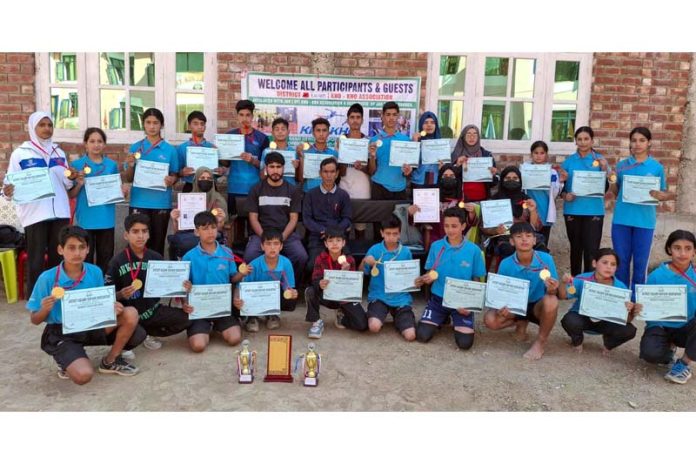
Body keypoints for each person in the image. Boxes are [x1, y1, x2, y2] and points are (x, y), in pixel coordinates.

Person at [27, 225, 144, 384]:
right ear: (60, 250)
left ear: (88, 249)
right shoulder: (47, 278)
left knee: (130, 315)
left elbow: (100, 303)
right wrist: (44, 309)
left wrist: (112, 307)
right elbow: (34, 319)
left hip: (90, 324)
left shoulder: (94, 271)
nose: (77, 253)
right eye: (71, 248)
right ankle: (66, 359)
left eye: (82, 247)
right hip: (61, 331)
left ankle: (109, 362)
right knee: (84, 375)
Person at [3, 111, 74, 292]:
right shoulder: (21, 153)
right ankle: (36, 299)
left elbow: (66, 183)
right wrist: (8, 190)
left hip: (60, 212)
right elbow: (9, 185)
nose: (47, 129)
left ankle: (56, 295)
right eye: (41, 125)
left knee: (57, 256)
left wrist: (71, 176)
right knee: (35, 258)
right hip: (35, 213)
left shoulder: (59, 152)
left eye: (49, 125)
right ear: (33, 128)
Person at [106, 213, 191, 351]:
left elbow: (168, 284)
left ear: (149, 235)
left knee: (187, 318)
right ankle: (131, 339)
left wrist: (181, 287)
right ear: (126, 235)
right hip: (128, 315)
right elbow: (107, 296)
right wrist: (121, 294)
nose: (140, 236)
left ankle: (150, 332)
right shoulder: (117, 261)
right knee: (136, 330)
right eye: (135, 231)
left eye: (144, 231)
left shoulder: (156, 257)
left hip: (152, 312)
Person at [484, 222, 564, 360]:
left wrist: (552, 289)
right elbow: (500, 291)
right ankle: (520, 322)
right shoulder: (506, 263)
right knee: (490, 320)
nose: (524, 239)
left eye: (528, 236)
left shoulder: (546, 259)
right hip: (515, 306)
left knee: (551, 301)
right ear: (512, 241)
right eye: (519, 236)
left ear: (534, 240)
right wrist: (500, 308)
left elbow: (553, 291)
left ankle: (540, 343)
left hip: (537, 307)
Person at [609, 127, 676, 290]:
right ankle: (622, 297)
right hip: (622, 220)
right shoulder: (622, 166)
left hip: (645, 222)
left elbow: (665, 193)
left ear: (649, 143)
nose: (637, 144)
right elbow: (617, 193)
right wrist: (611, 182)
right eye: (634, 140)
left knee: (640, 263)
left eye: (642, 140)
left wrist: (663, 196)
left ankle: (636, 299)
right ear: (630, 143)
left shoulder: (656, 167)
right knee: (621, 261)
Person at [415, 207, 486, 350]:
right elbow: (431, 271)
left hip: (461, 302)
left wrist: (469, 305)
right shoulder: (436, 246)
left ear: (463, 226)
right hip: (438, 299)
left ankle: (455, 319)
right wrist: (425, 279)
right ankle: (442, 316)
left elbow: (476, 280)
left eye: (454, 226)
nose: (450, 230)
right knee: (422, 335)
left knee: (465, 343)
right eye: (446, 226)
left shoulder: (474, 250)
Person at [182, 211, 246, 352]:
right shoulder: (189, 257)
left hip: (222, 307)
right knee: (198, 346)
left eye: (213, 227)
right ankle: (204, 327)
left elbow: (233, 279)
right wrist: (185, 301)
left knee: (235, 339)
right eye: (204, 229)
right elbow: (183, 286)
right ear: (196, 232)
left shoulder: (227, 252)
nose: (210, 232)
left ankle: (219, 325)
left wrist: (241, 275)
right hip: (199, 309)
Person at [639, 230, 696, 384]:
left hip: (687, 326)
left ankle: (683, 364)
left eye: (688, 248)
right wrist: (639, 308)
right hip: (661, 326)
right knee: (650, 355)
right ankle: (668, 351)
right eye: (677, 248)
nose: (682, 253)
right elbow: (647, 308)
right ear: (669, 249)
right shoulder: (656, 276)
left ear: (694, 251)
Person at [244, 151, 307, 287]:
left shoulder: (292, 190)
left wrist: (281, 239)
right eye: (271, 167)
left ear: (284, 168)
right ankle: (256, 289)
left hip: (286, 235)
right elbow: (253, 218)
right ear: (266, 168)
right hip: (261, 234)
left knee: (301, 256)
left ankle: (290, 288)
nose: (275, 170)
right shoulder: (256, 189)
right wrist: (265, 240)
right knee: (250, 256)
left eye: (278, 167)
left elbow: (293, 218)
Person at [122, 108, 179, 256]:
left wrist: (172, 179)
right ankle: (135, 276)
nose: (152, 126)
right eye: (148, 122)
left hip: (161, 203)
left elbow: (175, 174)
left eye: (156, 123)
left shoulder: (170, 150)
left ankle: (154, 278)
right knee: (136, 245)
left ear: (162, 125)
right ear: (143, 124)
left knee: (157, 245)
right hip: (138, 202)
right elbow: (128, 178)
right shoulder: (136, 147)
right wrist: (131, 165)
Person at [560, 248, 639, 354]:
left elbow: (627, 320)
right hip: (583, 318)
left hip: (607, 322)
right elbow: (563, 296)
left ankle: (609, 344)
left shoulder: (621, 288)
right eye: (605, 262)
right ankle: (577, 341)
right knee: (569, 320)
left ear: (616, 268)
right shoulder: (582, 279)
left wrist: (631, 311)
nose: (608, 267)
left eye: (613, 264)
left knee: (629, 330)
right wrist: (564, 283)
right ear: (594, 263)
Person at [68, 128, 120, 274]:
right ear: (85, 144)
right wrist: (79, 183)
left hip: (106, 219)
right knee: (86, 258)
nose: (96, 145)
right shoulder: (77, 166)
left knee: (106, 257)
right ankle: (87, 287)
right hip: (86, 219)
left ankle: (103, 289)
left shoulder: (111, 165)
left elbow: (116, 190)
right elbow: (71, 194)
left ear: (104, 144)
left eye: (100, 141)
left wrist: (122, 191)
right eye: (92, 141)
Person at [561, 126, 609, 276]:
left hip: (594, 210)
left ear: (592, 140)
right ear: (575, 141)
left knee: (591, 251)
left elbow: (605, 188)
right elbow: (560, 189)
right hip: (572, 210)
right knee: (575, 249)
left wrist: (604, 170)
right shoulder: (568, 162)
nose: (582, 142)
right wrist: (565, 195)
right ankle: (574, 283)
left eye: (586, 139)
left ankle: (589, 284)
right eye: (579, 139)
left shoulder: (600, 161)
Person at [362, 215, 418, 341]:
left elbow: (412, 277)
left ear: (399, 234)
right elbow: (362, 272)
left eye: (395, 234)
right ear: (381, 233)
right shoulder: (375, 250)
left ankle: (400, 318)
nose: (391, 237)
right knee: (374, 327)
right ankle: (379, 314)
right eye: (388, 233)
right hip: (379, 296)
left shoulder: (405, 252)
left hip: (401, 297)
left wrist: (416, 281)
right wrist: (365, 261)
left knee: (410, 336)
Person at [305, 228, 368, 338]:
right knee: (310, 291)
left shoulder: (350, 260)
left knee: (362, 325)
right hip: (327, 295)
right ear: (325, 243)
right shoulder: (320, 259)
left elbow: (353, 286)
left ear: (343, 243)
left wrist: (347, 273)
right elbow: (314, 279)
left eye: (338, 240)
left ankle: (342, 318)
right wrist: (319, 283)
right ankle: (316, 321)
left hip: (344, 298)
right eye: (330, 241)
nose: (334, 244)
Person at [235, 228, 299, 332]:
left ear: (281, 246)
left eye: (276, 243)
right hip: (255, 296)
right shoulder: (254, 265)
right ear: (262, 246)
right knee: (244, 295)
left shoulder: (286, 263)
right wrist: (236, 298)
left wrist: (292, 292)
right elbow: (241, 286)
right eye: (268, 244)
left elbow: (288, 285)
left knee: (290, 298)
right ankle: (252, 317)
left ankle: (272, 314)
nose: (272, 247)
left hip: (272, 295)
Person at [223, 99, 269, 240]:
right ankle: (236, 260)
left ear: (252, 116)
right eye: (241, 115)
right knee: (235, 228)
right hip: (234, 188)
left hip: (255, 189)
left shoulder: (262, 138)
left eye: (248, 115)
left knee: (253, 228)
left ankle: (251, 257)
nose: (244, 119)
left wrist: (253, 161)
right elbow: (225, 164)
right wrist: (220, 153)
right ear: (237, 116)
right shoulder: (228, 137)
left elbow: (267, 166)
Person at [408, 163, 480, 245]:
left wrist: (472, 213)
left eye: (452, 176)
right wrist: (411, 213)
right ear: (440, 178)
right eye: (445, 175)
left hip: (457, 240)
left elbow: (470, 224)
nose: (448, 178)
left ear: (457, 179)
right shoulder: (431, 197)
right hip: (435, 239)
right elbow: (418, 221)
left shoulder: (462, 198)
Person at [481, 166, 543, 259]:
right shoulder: (493, 201)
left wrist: (533, 211)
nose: (511, 180)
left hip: (524, 237)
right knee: (508, 249)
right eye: (508, 178)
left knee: (541, 248)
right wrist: (495, 230)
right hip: (503, 238)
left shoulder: (526, 200)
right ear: (502, 180)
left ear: (520, 180)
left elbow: (536, 227)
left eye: (515, 178)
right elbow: (483, 226)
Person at [302, 157, 352, 266]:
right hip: (317, 237)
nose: (329, 175)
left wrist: (334, 232)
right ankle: (314, 283)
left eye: (332, 172)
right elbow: (307, 219)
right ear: (320, 173)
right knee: (313, 265)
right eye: (325, 172)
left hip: (338, 238)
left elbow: (347, 218)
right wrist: (322, 230)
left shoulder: (343, 195)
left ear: (337, 173)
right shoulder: (310, 194)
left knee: (347, 263)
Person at [168, 166, 228, 257]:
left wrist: (221, 221)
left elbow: (219, 230)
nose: (205, 180)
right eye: (202, 178)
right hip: (188, 234)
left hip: (210, 234)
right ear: (196, 180)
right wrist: (174, 220)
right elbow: (178, 230)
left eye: (209, 178)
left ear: (213, 182)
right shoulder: (186, 199)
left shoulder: (218, 200)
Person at [523, 140, 566, 247]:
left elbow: (555, 191)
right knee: (526, 240)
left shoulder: (552, 172)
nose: (538, 156)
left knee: (542, 242)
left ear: (546, 155)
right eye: (536, 153)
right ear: (531, 154)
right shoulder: (524, 170)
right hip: (529, 210)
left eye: (542, 153)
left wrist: (560, 181)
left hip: (545, 209)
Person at [368, 102, 413, 200]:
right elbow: (371, 171)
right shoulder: (374, 141)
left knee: (399, 216)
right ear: (382, 117)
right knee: (379, 216)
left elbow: (409, 171)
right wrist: (372, 156)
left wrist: (408, 171)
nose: (391, 118)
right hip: (379, 187)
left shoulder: (406, 140)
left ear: (398, 117)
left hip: (400, 188)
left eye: (394, 115)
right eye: (388, 115)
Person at [338, 103, 371, 239]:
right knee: (344, 226)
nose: (355, 120)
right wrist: (342, 154)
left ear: (362, 120)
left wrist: (362, 167)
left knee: (360, 228)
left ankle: (359, 257)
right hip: (344, 186)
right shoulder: (341, 140)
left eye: (358, 117)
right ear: (348, 120)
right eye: (352, 117)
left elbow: (372, 170)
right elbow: (340, 172)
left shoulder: (368, 141)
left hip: (362, 187)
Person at [451, 124, 498, 202]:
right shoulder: (456, 155)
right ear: (463, 136)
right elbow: (449, 179)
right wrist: (457, 165)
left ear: (478, 137)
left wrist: (493, 175)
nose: (471, 137)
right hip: (460, 200)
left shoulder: (486, 155)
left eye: (475, 134)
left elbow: (494, 182)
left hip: (482, 199)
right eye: (468, 134)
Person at [176, 111, 219, 193]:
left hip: (210, 187)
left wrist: (220, 171)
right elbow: (176, 172)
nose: (199, 126)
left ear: (205, 127)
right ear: (189, 126)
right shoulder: (181, 148)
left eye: (202, 124)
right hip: (190, 186)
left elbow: (218, 172)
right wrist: (182, 172)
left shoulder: (212, 148)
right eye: (195, 124)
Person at [297, 117, 337, 192]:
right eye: (318, 130)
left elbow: (336, 177)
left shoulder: (334, 154)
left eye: (324, 130)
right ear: (313, 133)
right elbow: (300, 179)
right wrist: (301, 157)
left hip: (328, 194)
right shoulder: (305, 152)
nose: (321, 134)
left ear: (329, 133)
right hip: (308, 193)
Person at [260, 117, 299, 186]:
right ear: (272, 133)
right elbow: (262, 177)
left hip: (290, 189)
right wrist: (268, 165)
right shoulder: (266, 152)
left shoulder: (294, 153)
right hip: (270, 189)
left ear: (288, 132)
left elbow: (298, 178)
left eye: (283, 129)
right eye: (277, 129)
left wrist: (296, 168)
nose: (280, 132)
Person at [410, 111, 441, 189]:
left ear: (436, 125)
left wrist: (442, 165)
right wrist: (415, 143)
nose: (429, 125)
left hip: (435, 182)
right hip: (418, 182)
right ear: (421, 125)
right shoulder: (415, 141)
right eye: (426, 122)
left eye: (432, 122)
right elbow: (411, 164)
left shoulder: (440, 143)